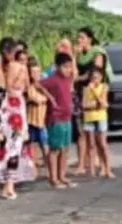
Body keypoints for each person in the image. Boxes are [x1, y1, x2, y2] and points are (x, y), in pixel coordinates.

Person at [0, 37, 35, 199]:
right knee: (14, 145)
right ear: (13, 51)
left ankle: (3, 182)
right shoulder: (19, 67)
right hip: (14, 108)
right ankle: (10, 185)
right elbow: (26, 87)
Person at [74, 27, 110, 175]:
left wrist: (78, 79)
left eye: (82, 37)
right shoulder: (79, 55)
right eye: (78, 37)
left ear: (89, 39)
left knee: (99, 137)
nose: (79, 40)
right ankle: (84, 164)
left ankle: (103, 165)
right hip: (82, 93)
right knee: (82, 132)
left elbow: (95, 73)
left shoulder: (97, 52)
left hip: (97, 93)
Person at [41, 52, 76, 188]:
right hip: (56, 117)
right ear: (57, 67)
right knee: (55, 148)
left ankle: (62, 175)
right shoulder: (53, 79)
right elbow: (38, 85)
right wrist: (50, 97)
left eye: (69, 67)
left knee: (65, 148)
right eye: (65, 67)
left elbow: (75, 73)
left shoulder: (68, 79)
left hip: (67, 117)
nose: (68, 70)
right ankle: (53, 178)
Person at [81, 67, 115, 178]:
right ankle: (92, 169)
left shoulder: (104, 87)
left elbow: (103, 103)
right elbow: (84, 105)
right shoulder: (85, 89)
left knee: (102, 143)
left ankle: (107, 168)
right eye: (92, 78)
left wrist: (94, 94)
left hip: (101, 117)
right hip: (89, 118)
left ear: (101, 78)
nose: (94, 80)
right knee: (91, 144)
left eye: (97, 78)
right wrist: (94, 104)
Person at [26, 58, 50, 171]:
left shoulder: (44, 87)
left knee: (44, 144)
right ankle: (33, 167)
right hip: (31, 120)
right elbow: (33, 98)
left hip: (41, 122)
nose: (36, 75)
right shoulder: (29, 87)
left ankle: (49, 167)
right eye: (33, 73)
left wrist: (42, 93)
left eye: (38, 72)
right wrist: (41, 98)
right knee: (31, 145)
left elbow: (46, 98)